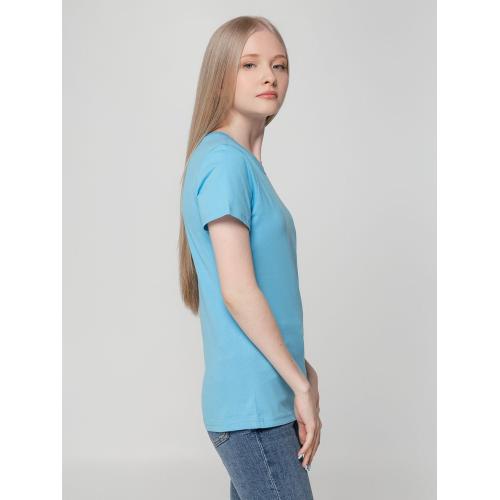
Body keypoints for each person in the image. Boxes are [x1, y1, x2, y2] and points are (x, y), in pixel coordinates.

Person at [179, 15, 322, 499]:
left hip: (264, 403)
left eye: (279, 65)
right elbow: (238, 291)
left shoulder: (241, 164)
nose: (269, 76)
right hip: (252, 409)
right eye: (250, 64)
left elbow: (267, 292)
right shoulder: (223, 162)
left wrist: (303, 372)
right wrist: (300, 386)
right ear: (221, 73)